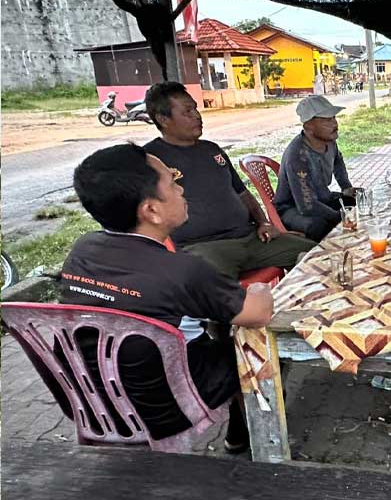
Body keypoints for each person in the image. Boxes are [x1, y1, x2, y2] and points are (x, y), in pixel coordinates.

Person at [59, 144, 275, 452]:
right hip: (166, 405)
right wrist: (258, 289)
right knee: (246, 344)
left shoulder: (82, 251)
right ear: (151, 210)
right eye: (173, 180)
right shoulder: (182, 270)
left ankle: (239, 431)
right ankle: (257, 437)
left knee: (209, 334)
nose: (182, 187)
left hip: (94, 398)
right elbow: (259, 313)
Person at [143, 81, 315, 279]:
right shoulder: (151, 160)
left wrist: (263, 222)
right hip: (203, 248)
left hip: (252, 239)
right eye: (187, 112)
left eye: (195, 109)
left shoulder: (212, 150)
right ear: (163, 119)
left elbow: (242, 193)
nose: (197, 116)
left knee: (318, 254)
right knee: (217, 290)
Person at [273, 95, 358, 241]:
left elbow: (338, 161)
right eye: (327, 119)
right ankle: (319, 258)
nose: (334, 123)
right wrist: (339, 216)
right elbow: (307, 206)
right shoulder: (297, 156)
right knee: (319, 225)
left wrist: (346, 187)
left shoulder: (329, 141)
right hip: (292, 208)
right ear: (308, 126)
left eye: (334, 117)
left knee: (356, 202)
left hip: (320, 198)